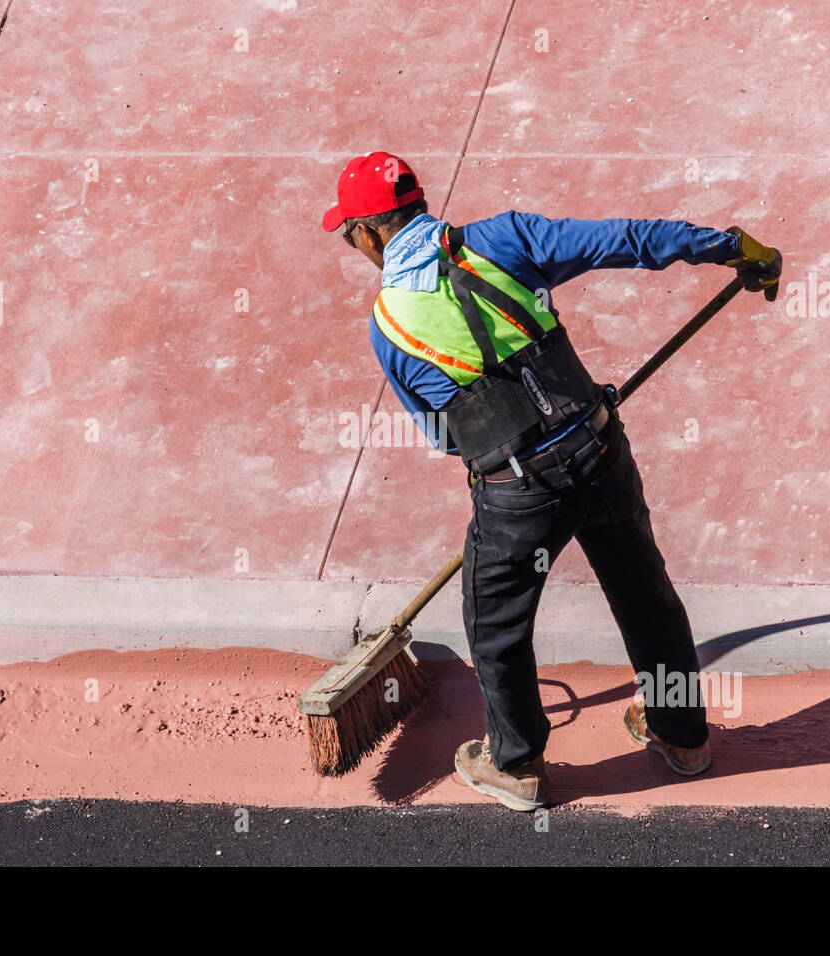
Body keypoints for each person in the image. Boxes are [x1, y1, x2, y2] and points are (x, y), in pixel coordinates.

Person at [321, 151, 781, 811]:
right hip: (599, 454)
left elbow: (448, 439)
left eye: (350, 236)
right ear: (418, 205)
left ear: (368, 233)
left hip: (518, 492)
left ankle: (517, 764)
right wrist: (728, 246)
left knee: (496, 623)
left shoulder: (389, 327)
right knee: (646, 595)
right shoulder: (503, 239)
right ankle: (682, 737)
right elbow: (627, 241)